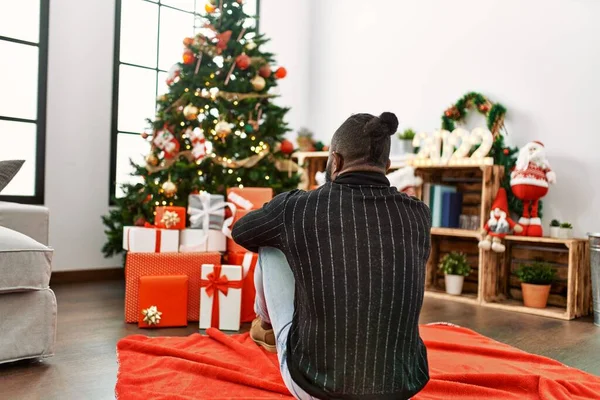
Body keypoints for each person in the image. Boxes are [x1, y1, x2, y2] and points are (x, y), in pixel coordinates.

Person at [232, 112, 431, 400]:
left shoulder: (297, 207)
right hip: (403, 387)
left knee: (270, 242)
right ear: (386, 167)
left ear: (335, 161)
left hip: (316, 386)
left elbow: (242, 232)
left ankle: (264, 325)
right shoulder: (418, 213)